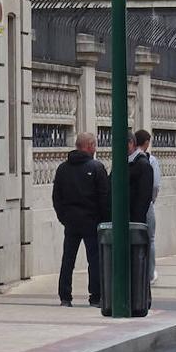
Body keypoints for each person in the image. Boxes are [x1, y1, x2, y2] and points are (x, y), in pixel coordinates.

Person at [52, 131, 110, 307]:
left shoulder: (63, 168)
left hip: (71, 220)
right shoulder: (96, 167)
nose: (95, 148)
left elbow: (57, 197)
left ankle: (65, 296)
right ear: (89, 146)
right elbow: (104, 198)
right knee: (94, 259)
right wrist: (104, 220)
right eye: (94, 145)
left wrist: (63, 217)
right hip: (92, 221)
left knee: (68, 258)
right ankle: (95, 297)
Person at [131, 129, 162, 284]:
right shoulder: (151, 160)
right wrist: (152, 200)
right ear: (147, 142)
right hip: (146, 204)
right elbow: (155, 185)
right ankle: (149, 274)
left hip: (131, 204)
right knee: (150, 239)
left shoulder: (128, 159)